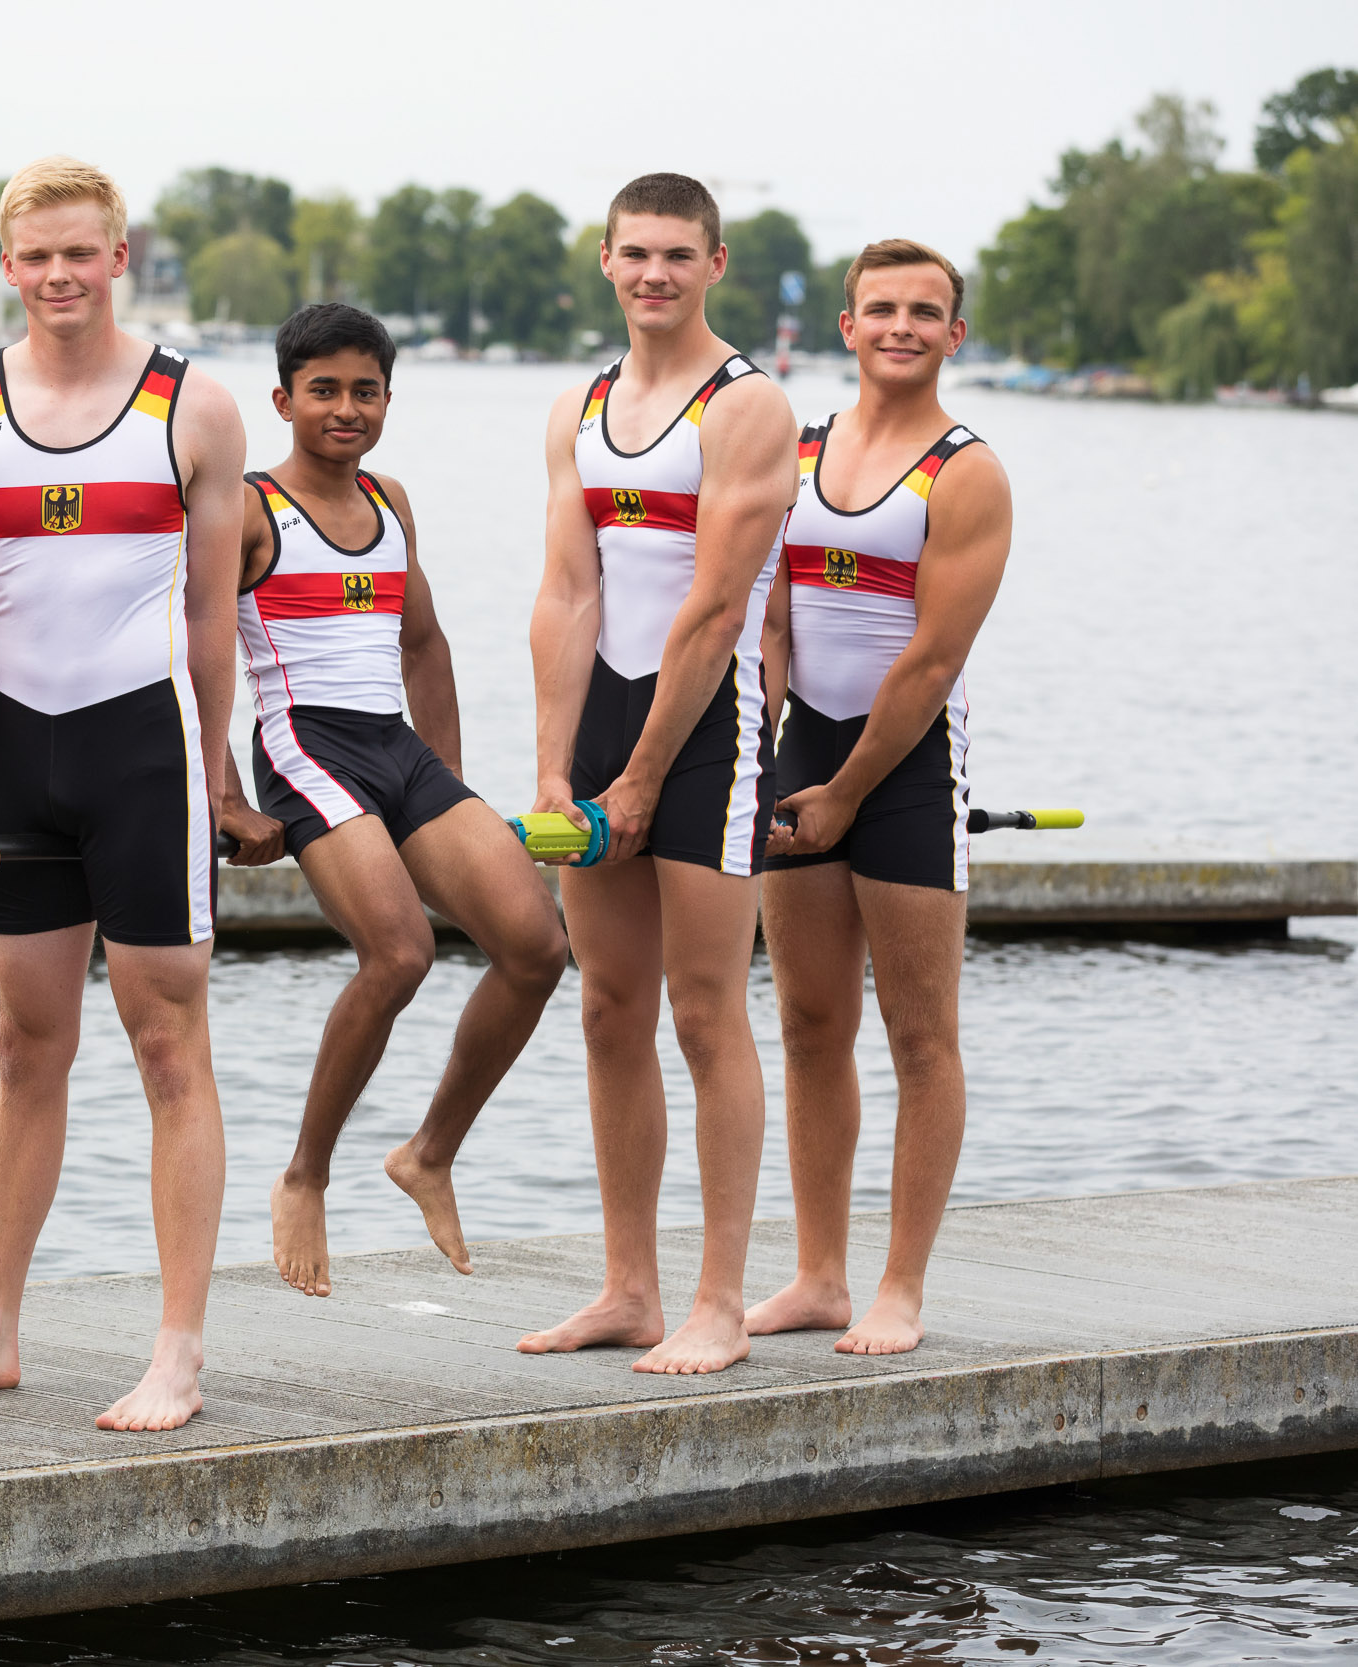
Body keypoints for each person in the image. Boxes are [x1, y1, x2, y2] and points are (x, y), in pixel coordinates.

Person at [0, 156, 246, 1431]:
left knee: (165, 1044)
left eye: (82, 253)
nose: (60, 276)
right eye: (36, 257)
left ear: (118, 258)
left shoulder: (192, 406)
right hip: (18, 758)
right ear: (8, 266)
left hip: (145, 750)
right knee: (26, 1045)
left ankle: (176, 1349)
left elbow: (206, 617)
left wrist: (222, 773)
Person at [221, 302, 569, 1299]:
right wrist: (227, 796)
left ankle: (427, 1152)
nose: (345, 408)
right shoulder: (249, 509)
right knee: (401, 952)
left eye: (364, 390)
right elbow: (196, 653)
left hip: (397, 749)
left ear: (386, 401)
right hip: (304, 742)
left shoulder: (390, 501)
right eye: (323, 389)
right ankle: (305, 1171)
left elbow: (423, 644)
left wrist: (447, 792)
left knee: (537, 946)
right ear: (282, 398)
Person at [520, 173, 797, 1375]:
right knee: (605, 1007)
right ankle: (627, 1287)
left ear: (714, 265)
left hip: (704, 733)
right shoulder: (577, 407)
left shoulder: (746, 407)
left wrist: (636, 780)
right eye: (635, 254)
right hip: (598, 728)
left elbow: (715, 607)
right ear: (605, 259)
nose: (654, 276)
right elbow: (567, 593)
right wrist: (551, 773)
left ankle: (720, 1299)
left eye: (677, 256)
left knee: (701, 1008)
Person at [745, 240, 1013, 1356]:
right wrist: (760, 744)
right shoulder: (797, 450)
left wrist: (848, 790)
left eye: (925, 312)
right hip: (799, 746)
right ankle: (817, 1274)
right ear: (845, 327)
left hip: (901, 770)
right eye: (880, 309)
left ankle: (899, 1284)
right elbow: (766, 616)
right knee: (810, 1024)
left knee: (919, 1034)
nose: (899, 326)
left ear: (953, 335)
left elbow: (929, 663)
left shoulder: (966, 472)